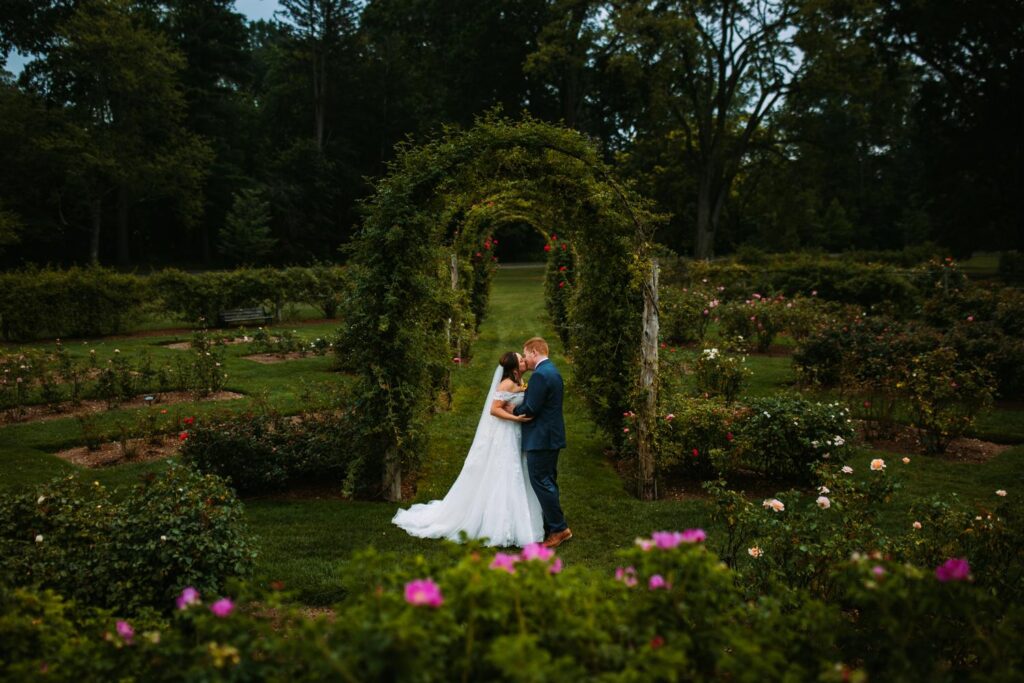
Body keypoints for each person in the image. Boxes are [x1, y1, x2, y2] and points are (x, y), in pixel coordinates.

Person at [391, 351, 544, 547]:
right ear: (514, 368)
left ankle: (518, 518)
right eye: (521, 360)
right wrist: (516, 418)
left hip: (515, 433)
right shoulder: (506, 384)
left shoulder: (519, 380)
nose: (524, 361)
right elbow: (494, 409)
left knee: (516, 470)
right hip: (505, 432)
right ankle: (500, 523)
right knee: (504, 471)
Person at [513, 337, 572, 549]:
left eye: (526, 354)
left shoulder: (540, 375)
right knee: (548, 481)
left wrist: (512, 410)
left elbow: (530, 408)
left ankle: (559, 528)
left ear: (534, 352)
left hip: (541, 438)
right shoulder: (552, 371)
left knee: (541, 481)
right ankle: (552, 525)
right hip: (551, 436)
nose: (525, 359)